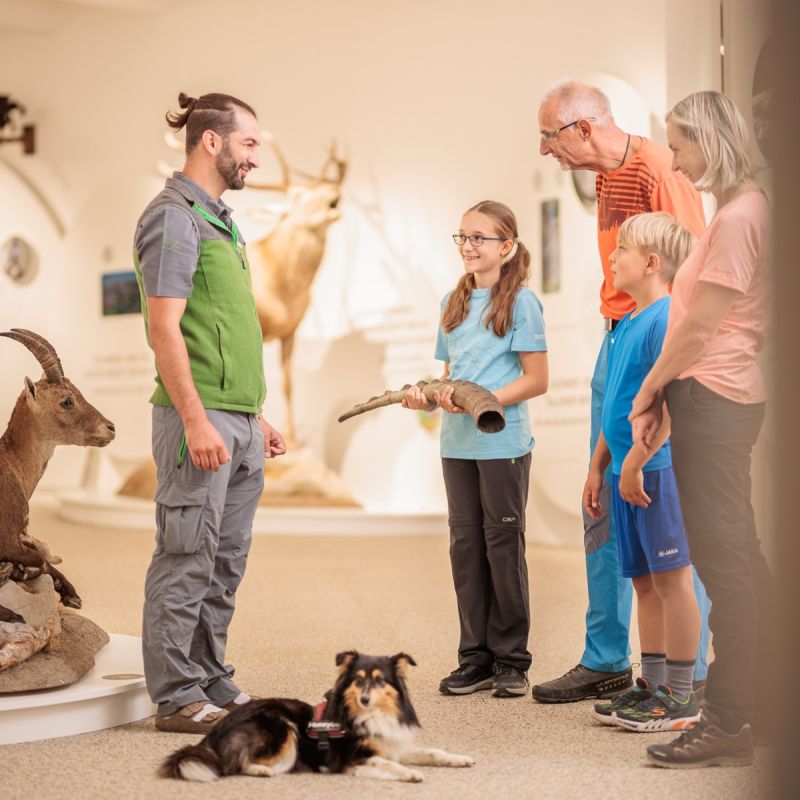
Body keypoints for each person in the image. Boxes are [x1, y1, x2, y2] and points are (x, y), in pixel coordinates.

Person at [532, 80, 711, 703]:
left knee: (670, 513)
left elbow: (691, 271)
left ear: (583, 128)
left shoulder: (662, 170)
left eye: (550, 135)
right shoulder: (605, 177)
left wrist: (667, 375)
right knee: (602, 502)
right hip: (616, 336)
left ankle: (691, 670)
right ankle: (608, 655)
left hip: (654, 342)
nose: (544, 148)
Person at [133, 92, 286, 734]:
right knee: (186, 554)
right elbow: (164, 327)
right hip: (197, 419)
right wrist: (197, 418)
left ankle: (208, 672)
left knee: (224, 560)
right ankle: (174, 695)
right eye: (248, 143)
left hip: (239, 420)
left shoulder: (219, 218)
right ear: (212, 142)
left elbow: (224, 325)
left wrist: (255, 415)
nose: (256, 155)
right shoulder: (173, 218)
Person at [630, 91, 773, 768]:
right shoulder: (735, 213)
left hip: (715, 397)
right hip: (712, 396)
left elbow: (699, 326)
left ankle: (730, 720)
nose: (677, 163)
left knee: (725, 566)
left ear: (710, 140)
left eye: (680, 147)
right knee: (741, 558)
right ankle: (766, 706)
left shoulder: (742, 216)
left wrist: (653, 386)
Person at [404, 200, 548, 698]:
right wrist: (428, 398)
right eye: (462, 237)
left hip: (502, 445)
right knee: (466, 550)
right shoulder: (452, 301)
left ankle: (512, 660)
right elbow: (450, 378)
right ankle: (475, 658)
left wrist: (481, 402)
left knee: (502, 548)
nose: (468, 246)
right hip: (456, 447)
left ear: (505, 247)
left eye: (479, 238)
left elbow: (537, 379)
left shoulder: (523, 304)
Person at [585, 212, 701, 731]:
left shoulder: (666, 320)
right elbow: (617, 404)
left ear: (652, 263)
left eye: (621, 251)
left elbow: (671, 405)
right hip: (623, 473)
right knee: (644, 584)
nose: (611, 258)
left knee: (673, 581)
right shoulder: (628, 322)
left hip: (657, 472)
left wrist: (636, 461)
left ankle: (680, 693)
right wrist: (599, 468)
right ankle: (651, 685)